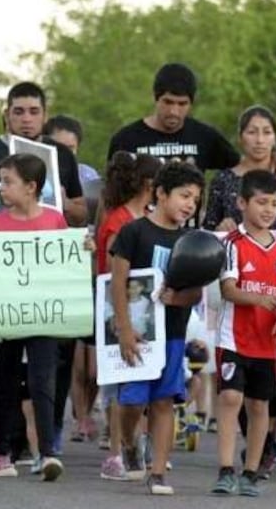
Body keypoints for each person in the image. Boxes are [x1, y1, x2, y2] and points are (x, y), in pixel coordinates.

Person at [202, 105, 276, 476]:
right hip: (239, 298)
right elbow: (208, 229)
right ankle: (251, 444)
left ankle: (267, 432)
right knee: (236, 385)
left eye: (267, 132)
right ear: (241, 136)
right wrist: (221, 225)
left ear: (275, 135)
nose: (259, 139)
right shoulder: (224, 181)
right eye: (252, 132)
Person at [0, 153, 77, 480]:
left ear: (31, 186)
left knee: (43, 381)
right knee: (6, 382)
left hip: (44, 314)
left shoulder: (54, 220)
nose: (2, 188)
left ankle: (46, 453)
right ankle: (1, 452)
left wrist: (85, 249)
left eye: (8, 182)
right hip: (7, 316)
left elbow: (68, 262)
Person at [112, 161, 206, 495]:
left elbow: (197, 292)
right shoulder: (133, 232)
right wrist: (123, 329)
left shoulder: (192, 241)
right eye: (183, 195)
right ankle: (128, 442)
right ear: (161, 193)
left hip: (173, 334)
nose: (189, 204)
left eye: (195, 199)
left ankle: (158, 472)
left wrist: (178, 298)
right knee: (133, 402)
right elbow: (117, 283)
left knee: (165, 401)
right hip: (138, 335)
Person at [211, 170, 276, 497]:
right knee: (231, 397)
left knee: (260, 405)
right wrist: (259, 298)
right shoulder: (233, 245)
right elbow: (229, 290)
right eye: (261, 202)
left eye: (274, 203)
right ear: (241, 203)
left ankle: (251, 471)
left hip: (266, 344)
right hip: (234, 338)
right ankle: (225, 469)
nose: (268, 210)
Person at [95, 152, 163, 480]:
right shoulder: (118, 220)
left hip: (149, 310)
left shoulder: (151, 218)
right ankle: (115, 453)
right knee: (120, 381)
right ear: (151, 185)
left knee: (146, 378)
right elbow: (111, 271)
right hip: (118, 311)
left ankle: (144, 446)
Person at [107, 63, 238, 220]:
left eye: (182, 104)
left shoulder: (204, 136)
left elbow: (242, 167)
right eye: (168, 102)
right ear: (156, 98)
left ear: (191, 103)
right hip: (139, 234)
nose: (174, 111)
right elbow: (109, 194)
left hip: (188, 237)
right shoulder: (126, 139)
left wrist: (275, 156)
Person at [0, 82, 86, 227]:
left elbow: (81, 215)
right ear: (7, 115)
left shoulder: (63, 154)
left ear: (45, 115)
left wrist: (66, 203)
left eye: (34, 112)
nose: (26, 119)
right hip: (0, 244)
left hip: (49, 244)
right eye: (19, 112)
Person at [44, 114, 100, 184]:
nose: (64, 154)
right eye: (59, 148)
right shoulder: (35, 174)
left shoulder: (87, 175)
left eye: (70, 148)